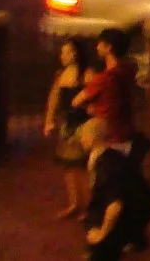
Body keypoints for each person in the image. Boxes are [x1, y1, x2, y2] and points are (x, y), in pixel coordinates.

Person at [80, 121, 150, 261]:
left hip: (114, 229)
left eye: (83, 135)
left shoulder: (106, 167)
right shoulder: (106, 156)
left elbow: (115, 206)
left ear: (93, 138)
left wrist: (102, 233)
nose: (81, 139)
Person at [45, 38, 93, 218]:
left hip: (83, 125)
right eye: (62, 52)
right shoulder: (61, 75)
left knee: (82, 167)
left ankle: (89, 206)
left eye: (66, 52)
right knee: (68, 167)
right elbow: (53, 99)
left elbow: (93, 96)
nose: (62, 56)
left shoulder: (87, 74)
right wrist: (49, 121)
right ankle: (74, 203)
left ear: (75, 54)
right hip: (67, 126)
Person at [72, 29, 137, 150]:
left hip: (108, 135)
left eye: (100, 44)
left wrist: (90, 108)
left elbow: (76, 101)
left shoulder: (104, 78)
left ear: (109, 48)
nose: (97, 47)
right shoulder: (129, 71)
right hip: (127, 131)